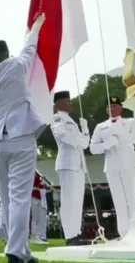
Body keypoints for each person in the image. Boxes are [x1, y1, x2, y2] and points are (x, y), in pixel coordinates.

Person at [0, 20, 44, 263]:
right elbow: (29, 50)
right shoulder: (15, 65)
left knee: (6, 198)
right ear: (7, 54)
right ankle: (15, 251)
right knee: (20, 197)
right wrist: (34, 29)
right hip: (21, 135)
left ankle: (21, 251)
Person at [90, 96, 135, 239]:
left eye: (115, 106)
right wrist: (107, 144)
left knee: (132, 198)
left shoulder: (130, 122)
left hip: (128, 163)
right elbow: (93, 148)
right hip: (111, 165)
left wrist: (120, 134)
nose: (112, 108)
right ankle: (123, 233)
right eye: (109, 106)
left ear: (121, 108)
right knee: (118, 200)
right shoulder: (101, 126)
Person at [50, 90, 90, 245]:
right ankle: (69, 235)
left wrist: (85, 130)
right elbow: (63, 137)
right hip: (67, 164)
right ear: (58, 103)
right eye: (67, 101)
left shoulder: (71, 121)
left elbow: (85, 143)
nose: (70, 103)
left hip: (78, 165)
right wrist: (79, 139)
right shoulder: (57, 118)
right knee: (68, 201)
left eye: (70, 101)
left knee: (77, 200)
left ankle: (76, 233)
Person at [30, 173, 48, 245]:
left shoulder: (38, 174)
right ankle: (34, 236)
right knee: (35, 218)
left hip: (40, 196)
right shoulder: (31, 173)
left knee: (41, 218)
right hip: (34, 196)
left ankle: (40, 236)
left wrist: (42, 185)